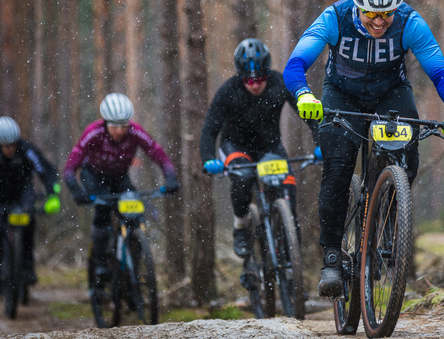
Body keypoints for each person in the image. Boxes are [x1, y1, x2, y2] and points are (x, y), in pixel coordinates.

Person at [283, 0, 444, 297]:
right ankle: (330, 257)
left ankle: (387, 218)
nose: (380, 21)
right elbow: (296, 64)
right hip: (341, 95)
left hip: (390, 93)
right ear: (358, 4)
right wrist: (303, 94)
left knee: (406, 156)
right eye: (371, 13)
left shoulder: (409, 22)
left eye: (387, 13)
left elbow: (439, 70)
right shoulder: (335, 17)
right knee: (338, 168)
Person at [200, 38, 321, 259]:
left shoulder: (280, 82)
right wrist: (208, 159)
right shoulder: (228, 90)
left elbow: (310, 115)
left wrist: (321, 142)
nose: (255, 85)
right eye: (248, 80)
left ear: (268, 73)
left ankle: (290, 247)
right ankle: (241, 227)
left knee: (287, 191)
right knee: (243, 178)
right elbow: (209, 130)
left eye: (260, 79)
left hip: (269, 146)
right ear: (240, 76)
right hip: (235, 146)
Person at [64, 93, 179, 281]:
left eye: (123, 126)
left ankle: (133, 268)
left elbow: (156, 152)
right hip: (93, 176)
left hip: (119, 177)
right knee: (102, 211)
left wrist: (170, 176)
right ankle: (100, 264)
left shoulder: (135, 131)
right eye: (114, 126)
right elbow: (71, 167)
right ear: (105, 123)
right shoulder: (93, 132)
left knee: (135, 213)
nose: (119, 131)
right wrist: (76, 190)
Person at [0, 116, 61, 285]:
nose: (10, 149)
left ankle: (27, 268)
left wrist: (52, 194)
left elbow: (45, 170)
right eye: (5, 146)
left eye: (13, 145)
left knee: (28, 223)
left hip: (23, 192)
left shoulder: (26, 149)